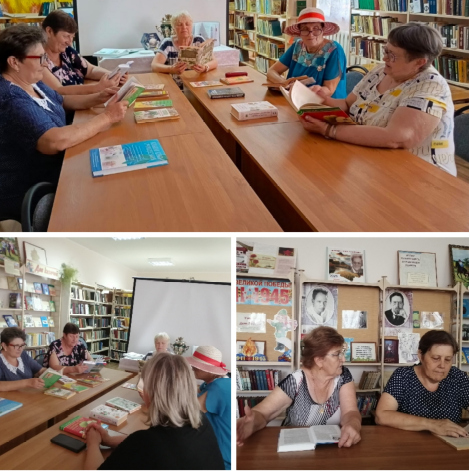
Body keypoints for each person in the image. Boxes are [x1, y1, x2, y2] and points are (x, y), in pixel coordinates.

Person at [0, 25, 127, 222]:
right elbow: (54, 141)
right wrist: (106, 117)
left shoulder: (31, 80)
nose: (46, 64)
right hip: (33, 187)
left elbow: (62, 101)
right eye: (40, 58)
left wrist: (100, 97)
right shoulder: (10, 97)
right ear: (14, 62)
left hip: (61, 165)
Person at [300, 23, 457, 176]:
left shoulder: (431, 86)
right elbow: (347, 104)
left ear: (419, 62)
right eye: (386, 50)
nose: (384, 58)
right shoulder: (381, 71)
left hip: (419, 175)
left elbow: (396, 138)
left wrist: (330, 130)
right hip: (369, 157)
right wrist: (322, 98)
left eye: (392, 55)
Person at [84, 353, 224, 470]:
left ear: (151, 392)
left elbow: (143, 445)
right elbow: (137, 445)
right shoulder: (200, 420)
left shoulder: (146, 442)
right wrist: (109, 440)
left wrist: (93, 444)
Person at [237, 326, 361, 448]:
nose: (343, 359)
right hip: (296, 450)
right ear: (319, 360)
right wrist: (251, 424)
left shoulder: (344, 375)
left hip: (333, 448)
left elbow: (350, 411)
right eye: (337, 354)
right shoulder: (296, 381)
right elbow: (263, 414)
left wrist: (352, 424)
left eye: (342, 352)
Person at [375, 330, 469, 437]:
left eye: (448, 359)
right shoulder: (403, 376)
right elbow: (381, 416)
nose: (442, 365)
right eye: (436, 358)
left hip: (451, 445)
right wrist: (431, 424)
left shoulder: (458, 377)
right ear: (421, 355)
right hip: (410, 445)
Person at [266, 8, 347, 98]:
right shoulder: (297, 46)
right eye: (305, 29)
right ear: (300, 32)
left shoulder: (334, 50)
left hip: (326, 105)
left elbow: (329, 90)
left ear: (323, 30)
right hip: (296, 100)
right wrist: (283, 82)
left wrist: (304, 92)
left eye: (316, 29)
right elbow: (271, 71)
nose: (310, 34)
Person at [41, 10, 125, 95]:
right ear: (49, 31)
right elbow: (59, 91)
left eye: (72, 37)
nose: (70, 42)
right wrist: (98, 88)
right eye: (66, 36)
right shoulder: (39, 60)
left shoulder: (67, 52)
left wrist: (112, 75)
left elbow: (90, 70)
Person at [187, 346, 231, 470]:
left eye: (197, 365)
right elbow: (194, 394)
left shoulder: (218, 387)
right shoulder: (214, 383)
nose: (192, 367)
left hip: (222, 459)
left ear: (210, 370)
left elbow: (188, 411)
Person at [151, 10, 218, 89]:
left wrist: (205, 67)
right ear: (174, 28)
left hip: (197, 83)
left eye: (187, 24)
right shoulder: (168, 43)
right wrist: (171, 69)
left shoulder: (199, 40)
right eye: (179, 24)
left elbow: (214, 62)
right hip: (175, 86)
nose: (184, 27)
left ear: (191, 26)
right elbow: (154, 66)